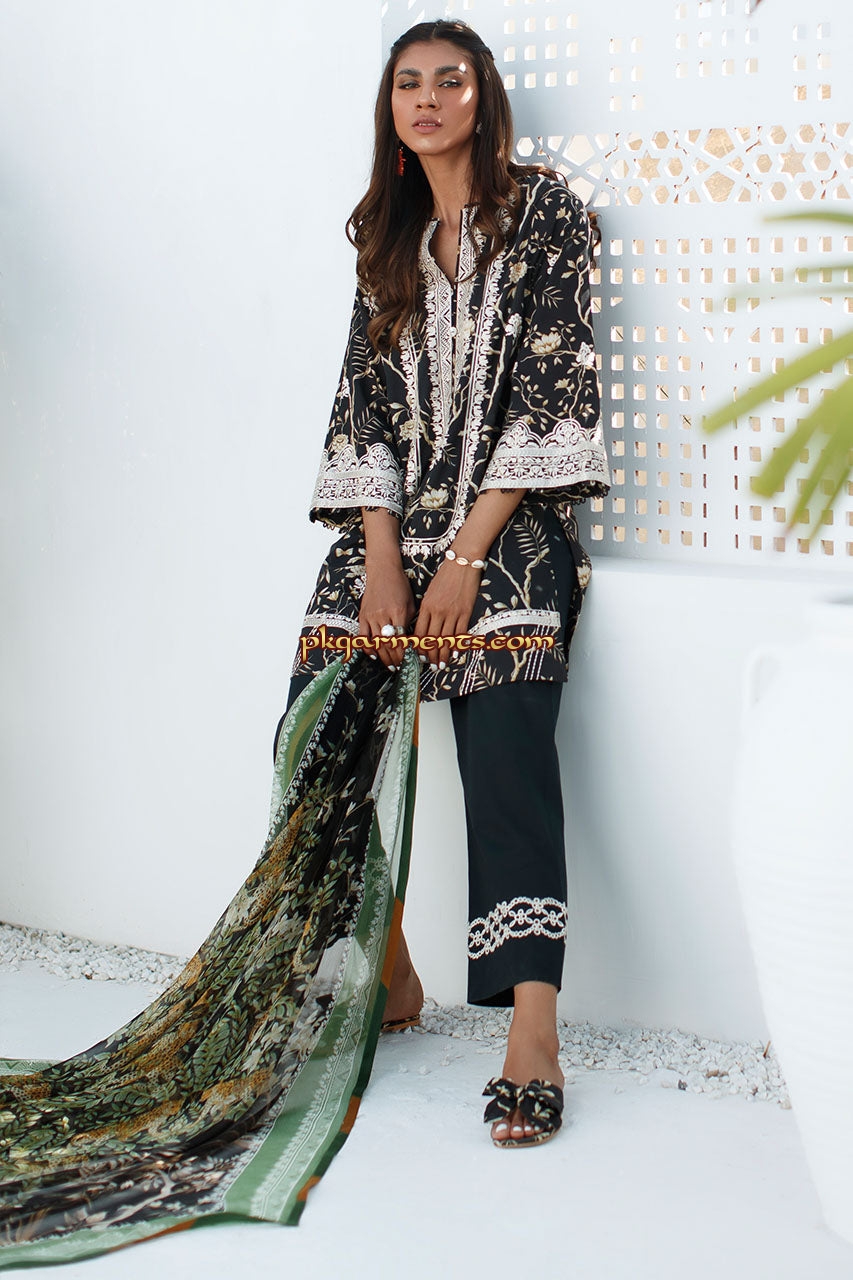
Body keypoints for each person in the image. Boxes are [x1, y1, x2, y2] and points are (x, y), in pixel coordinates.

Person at [281, 18, 610, 1147]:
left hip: (511, 519)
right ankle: (388, 968)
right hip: (395, 526)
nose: (425, 98)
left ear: (482, 98)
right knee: (316, 727)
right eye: (407, 83)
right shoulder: (386, 234)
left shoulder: (546, 212)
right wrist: (380, 558)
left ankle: (533, 1029)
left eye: (448, 81)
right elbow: (362, 403)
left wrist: (465, 557)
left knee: (506, 739)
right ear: (391, 108)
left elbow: (554, 387)